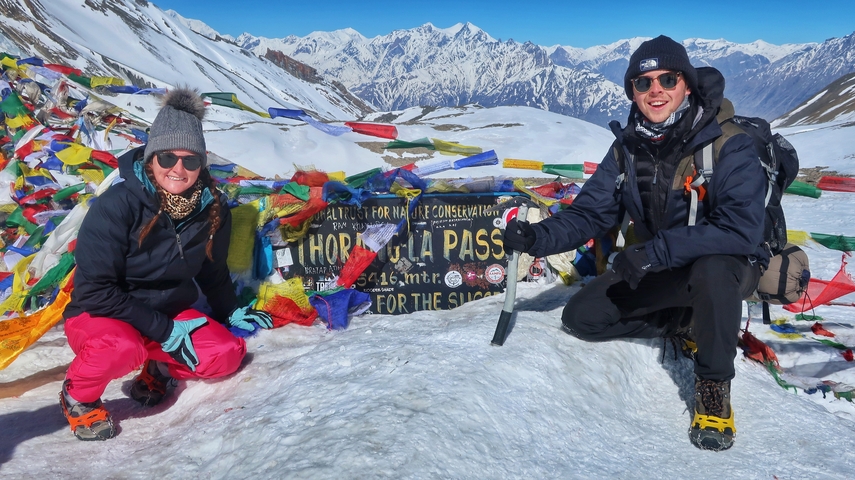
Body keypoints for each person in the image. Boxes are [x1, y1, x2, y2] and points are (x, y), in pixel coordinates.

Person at [502, 36, 766, 451]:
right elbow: (591, 213)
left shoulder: (727, 144)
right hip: (662, 265)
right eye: (643, 82)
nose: (655, 89)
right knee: (584, 316)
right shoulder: (627, 148)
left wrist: (655, 251)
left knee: (713, 270)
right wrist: (538, 237)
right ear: (632, 91)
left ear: (687, 84)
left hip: (729, 267)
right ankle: (691, 320)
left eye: (668, 78)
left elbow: (740, 231)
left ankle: (714, 389)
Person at [59, 87, 273, 441]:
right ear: (150, 157)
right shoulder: (116, 207)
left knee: (225, 354)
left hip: (168, 316)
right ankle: (77, 395)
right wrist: (162, 330)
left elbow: (211, 271)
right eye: (167, 158)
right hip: (102, 316)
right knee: (122, 348)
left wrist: (231, 310)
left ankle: (158, 364)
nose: (178, 168)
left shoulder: (212, 208)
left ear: (201, 164)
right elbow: (94, 291)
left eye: (190, 160)